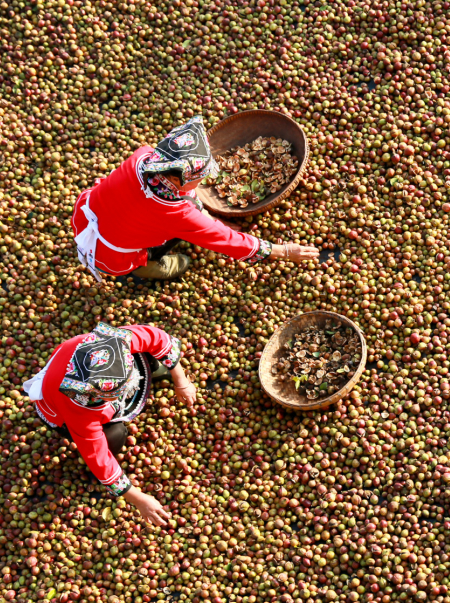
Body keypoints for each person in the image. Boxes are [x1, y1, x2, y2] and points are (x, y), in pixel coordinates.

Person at [71, 116, 319, 281]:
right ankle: (147, 269)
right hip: (110, 253)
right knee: (177, 261)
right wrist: (285, 251)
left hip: (89, 215)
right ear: (180, 180)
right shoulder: (177, 215)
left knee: (179, 216)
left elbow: (188, 207)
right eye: (200, 177)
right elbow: (230, 243)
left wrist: (207, 221)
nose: (202, 182)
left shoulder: (144, 156)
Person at [22, 322, 193, 525]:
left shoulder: (114, 342)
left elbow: (156, 337)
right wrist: (138, 499)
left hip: (90, 377)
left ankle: (152, 368)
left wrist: (181, 381)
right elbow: (99, 458)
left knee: (160, 353)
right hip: (58, 409)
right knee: (114, 436)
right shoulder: (79, 408)